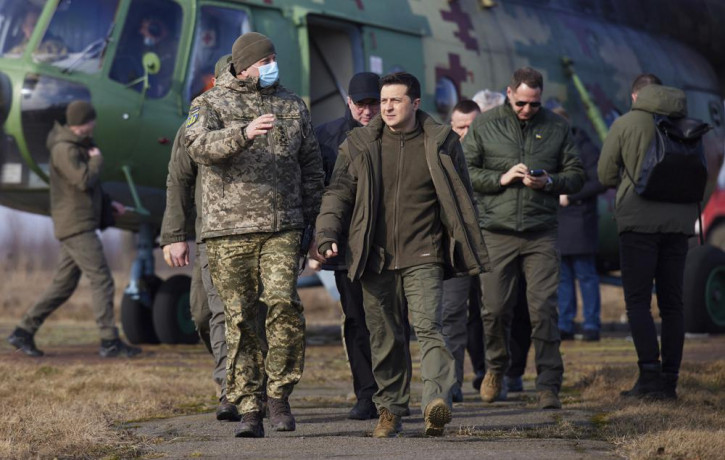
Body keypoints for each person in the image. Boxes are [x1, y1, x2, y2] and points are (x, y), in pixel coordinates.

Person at [316, 72, 490, 438]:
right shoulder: (360, 143)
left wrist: (464, 242)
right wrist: (326, 233)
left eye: (396, 100)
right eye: (384, 101)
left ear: (415, 102)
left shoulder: (439, 141)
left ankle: (435, 403)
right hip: (374, 256)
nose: (387, 107)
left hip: (424, 252)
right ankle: (391, 410)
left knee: (429, 328)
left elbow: (462, 194)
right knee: (385, 337)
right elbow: (338, 192)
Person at [184, 32, 324, 438]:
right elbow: (196, 145)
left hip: (282, 227)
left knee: (283, 304)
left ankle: (279, 394)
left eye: (274, 58)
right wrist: (243, 134)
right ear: (244, 65)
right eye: (265, 60)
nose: (271, 66)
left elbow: (312, 168)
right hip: (229, 232)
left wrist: (314, 226)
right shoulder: (209, 103)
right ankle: (249, 407)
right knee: (240, 319)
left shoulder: (292, 106)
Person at [464, 67, 584, 410]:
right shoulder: (485, 125)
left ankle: (548, 384)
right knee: (495, 309)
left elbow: (577, 175)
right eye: (520, 103)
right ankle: (496, 369)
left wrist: (550, 182)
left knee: (543, 310)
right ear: (508, 92)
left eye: (533, 104)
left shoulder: (557, 127)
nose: (526, 110)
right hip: (496, 231)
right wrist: (500, 178)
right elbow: (465, 171)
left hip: (540, 233)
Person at [6, 101, 140, 358]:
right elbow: (82, 180)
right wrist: (97, 160)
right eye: (92, 121)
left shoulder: (76, 147)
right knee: (101, 279)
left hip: (78, 223)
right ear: (84, 122)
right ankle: (109, 341)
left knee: (63, 285)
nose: (94, 126)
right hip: (77, 227)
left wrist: (109, 204)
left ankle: (23, 331)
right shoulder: (64, 149)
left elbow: (85, 189)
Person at [598, 74, 695, 400]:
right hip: (679, 225)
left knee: (638, 302)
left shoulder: (627, 123)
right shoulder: (686, 123)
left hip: (638, 224)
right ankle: (670, 382)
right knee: (673, 304)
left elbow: (605, 174)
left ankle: (649, 377)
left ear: (636, 95)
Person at [160, 55, 240, 422]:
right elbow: (179, 179)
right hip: (209, 234)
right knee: (204, 312)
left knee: (248, 314)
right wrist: (175, 235)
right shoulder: (197, 121)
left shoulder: (266, 117)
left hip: (254, 236)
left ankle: (234, 390)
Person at [312, 72, 382, 420]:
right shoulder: (326, 138)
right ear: (349, 103)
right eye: (361, 104)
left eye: (374, 103)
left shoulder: (396, 135)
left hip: (386, 245)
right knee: (356, 321)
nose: (367, 111)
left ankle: (391, 393)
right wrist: (318, 240)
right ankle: (366, 394)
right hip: (345, 250)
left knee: (388, 321)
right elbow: (319, 194)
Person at [553, 106, 607, 342]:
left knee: (586, 275)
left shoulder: (584, 147)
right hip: (559, 222)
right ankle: (565, 324)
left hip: (580, 221)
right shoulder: (550, 148)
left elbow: (601, 181)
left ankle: (591, 324)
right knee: (563, 277)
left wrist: (570, 195)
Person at [442, 99, 481, 402]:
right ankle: (452, 381)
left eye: (472, 126)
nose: (466, 133)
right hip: (458, 243)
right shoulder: (444, 152)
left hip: (493, 240)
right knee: (453, 313)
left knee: (492, 314)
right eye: (460, 127)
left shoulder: (496, 149)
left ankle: (491, 372)